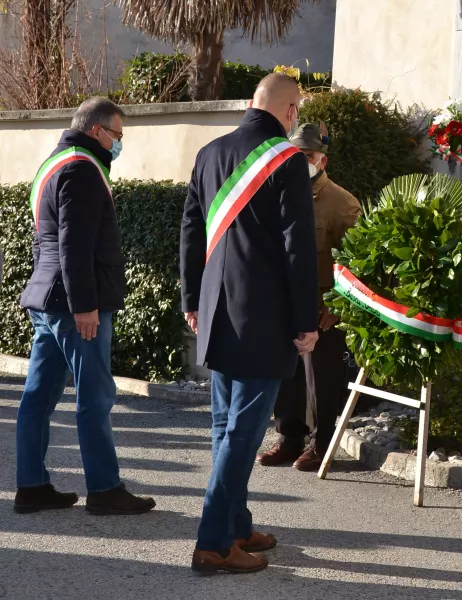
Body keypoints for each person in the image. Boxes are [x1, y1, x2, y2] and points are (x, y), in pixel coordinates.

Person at [181, 73, 319, 575]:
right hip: (264, 317)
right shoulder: (287, 160)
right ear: (288, 112)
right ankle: (214, 543)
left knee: (226, 426)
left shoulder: (209, 153)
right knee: (242, 432)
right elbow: (297, 248)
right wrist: (307, 321)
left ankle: (237, 524)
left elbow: (191, 230)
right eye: (296, 111)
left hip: (216, 311)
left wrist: (191, 300)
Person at [14, 97, 156, 516]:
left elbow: (50, 241)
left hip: (46, 298)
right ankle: (105, 489)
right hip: (73, 304)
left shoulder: (55, 162)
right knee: (95, 395)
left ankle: (32, 487)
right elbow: (74, 246)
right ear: (97, 130)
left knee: (38, 397)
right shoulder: (82, 169)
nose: (119, 143)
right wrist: (85, 306)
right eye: (117, 134)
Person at [257, 123, 361, 472]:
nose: (301, 162)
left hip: (321, 304)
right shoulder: (275, 192)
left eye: (308, 157)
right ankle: (289, 438)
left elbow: (356, 260)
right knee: (286, 374)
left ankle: (322, 443)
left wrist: (337, 305)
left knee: (322, 377)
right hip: (283, 299)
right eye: (295, 156)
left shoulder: (341, 202)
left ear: (323, 159)